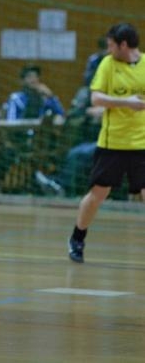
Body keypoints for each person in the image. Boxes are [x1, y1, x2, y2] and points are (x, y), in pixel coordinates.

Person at [68, 23, 145, 263]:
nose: (108, 48)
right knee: (98, 193)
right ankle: (77, 238)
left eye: (111, 44)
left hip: (141, 144)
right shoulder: (107, 64)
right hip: (113, 143)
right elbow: (96, 98)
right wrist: (126, 102)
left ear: (123, 45)